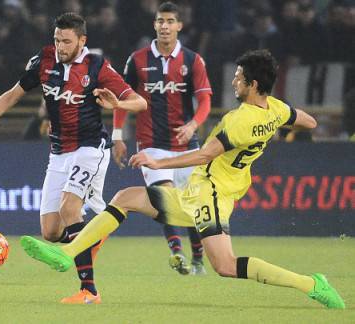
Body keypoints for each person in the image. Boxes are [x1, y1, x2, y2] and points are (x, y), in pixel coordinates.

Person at [19, 49, 345, 309]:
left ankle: (312, 284)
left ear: (253, 85)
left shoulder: (239, 120)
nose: (234, 83)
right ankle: (67, 253)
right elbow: (310, 122)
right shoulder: (274, 108)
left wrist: (156, 160)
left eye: (239, 78)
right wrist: (277, 123)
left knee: (226, 266)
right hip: (200, 190)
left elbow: (204, 155)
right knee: (125, 198)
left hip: (211, 196)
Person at [0, 12, 147, 304]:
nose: (61, 47)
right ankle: (91, 235)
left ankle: (89, 291)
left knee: (69, 207)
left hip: (90, 148)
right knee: (51, 232)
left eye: (66, 41)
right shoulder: (43, 61)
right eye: (57, 40)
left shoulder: (98, 66)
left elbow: (140, 102)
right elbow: (10, 96)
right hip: (58, 152)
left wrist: (118, 103)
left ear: (82, 41)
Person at [113, 2, 212, 275]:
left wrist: (193, 125)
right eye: (160, 21)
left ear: (180, 26)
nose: (165, 26)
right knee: (165, 198)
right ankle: (177, 252)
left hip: (186, 145)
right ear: (154, 25)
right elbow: (123, 99)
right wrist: (117, 136)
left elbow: (205, 100)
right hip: (151, 145)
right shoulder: (138, 60)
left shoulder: (193, 61)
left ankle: (198, 259)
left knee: (191, 203)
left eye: (170, 21)